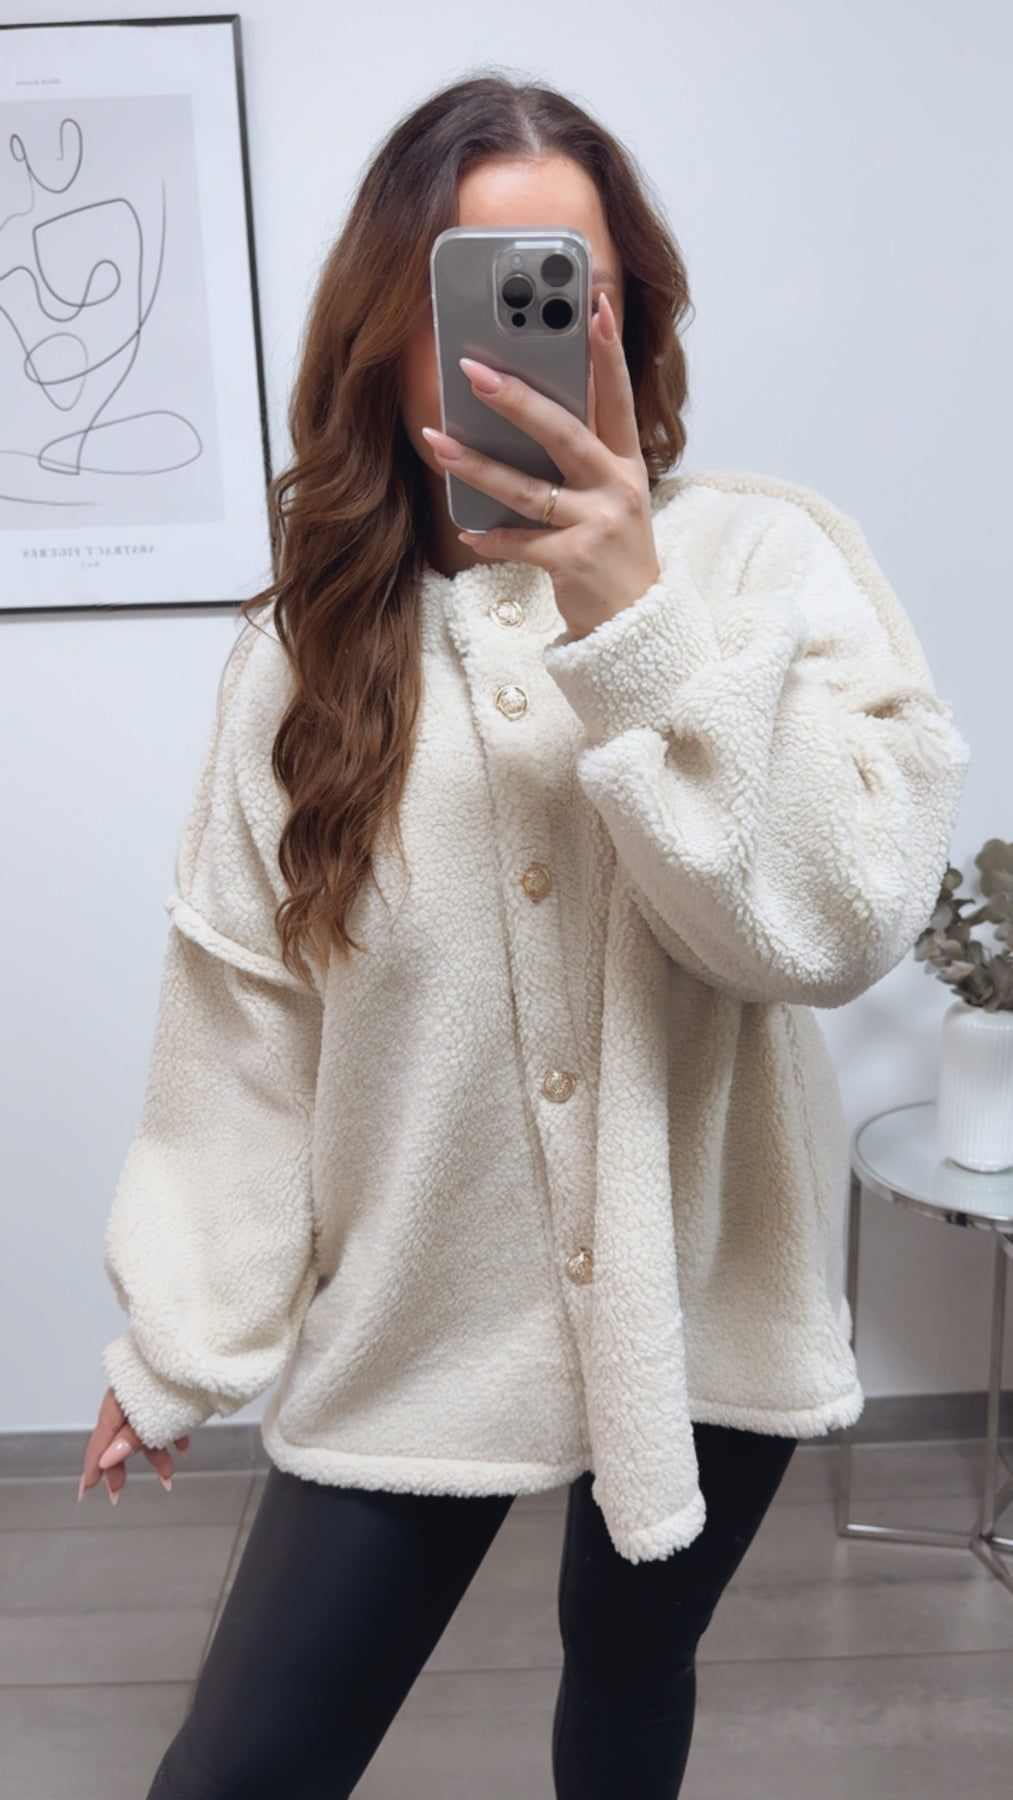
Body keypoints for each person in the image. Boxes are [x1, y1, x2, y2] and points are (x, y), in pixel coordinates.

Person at [77, 73, 968, 1800]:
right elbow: (246, 1024)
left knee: (628, 1676)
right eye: (471, 292)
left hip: (701, 1296)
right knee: (241, 1769)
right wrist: (182, 1337)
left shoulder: (764, 564)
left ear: (630, 317)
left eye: (573, 289)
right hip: (422, 1311)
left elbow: (835, 922)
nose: (524, 339)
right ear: (387, 328)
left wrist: (634, 617)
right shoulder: (309, 651)